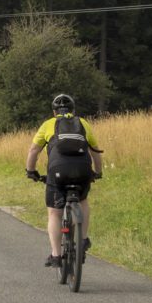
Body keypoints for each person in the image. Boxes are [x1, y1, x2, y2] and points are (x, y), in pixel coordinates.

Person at [25, 93, 103, 267]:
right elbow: (96, 152)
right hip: (82, 169)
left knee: (54, 213)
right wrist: (97, 172)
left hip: (57, 171)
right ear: (73, 111)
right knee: (82, 200)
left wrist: (31, 171)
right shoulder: (82, 123)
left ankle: (56, 255)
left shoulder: (48, 125)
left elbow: (33, 151)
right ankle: (82, 240)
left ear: (54, 112)